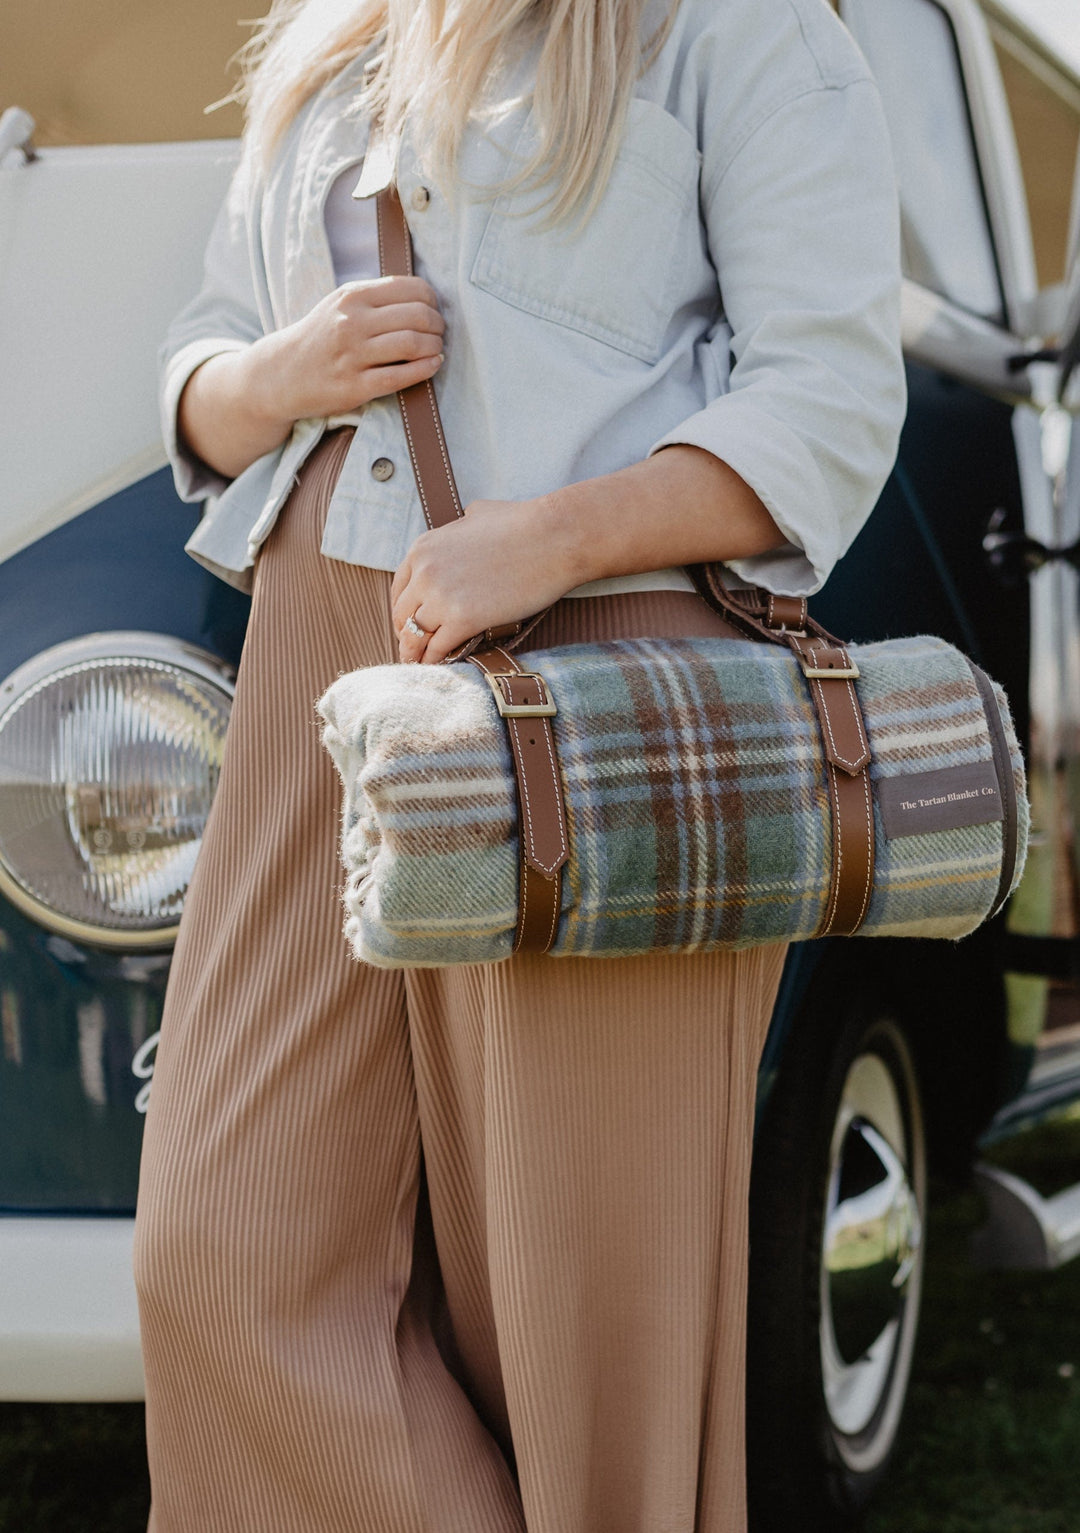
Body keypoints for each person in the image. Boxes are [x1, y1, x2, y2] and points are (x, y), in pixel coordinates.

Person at [133, 0, 905, 1528]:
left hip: (596, 667)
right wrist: (274, 375)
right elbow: (200, 368)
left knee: (578, 1340)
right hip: (319, 650)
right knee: (219, 1247)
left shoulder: (734, 33)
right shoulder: (329, 42)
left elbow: (829, 397)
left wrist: (544, 539)